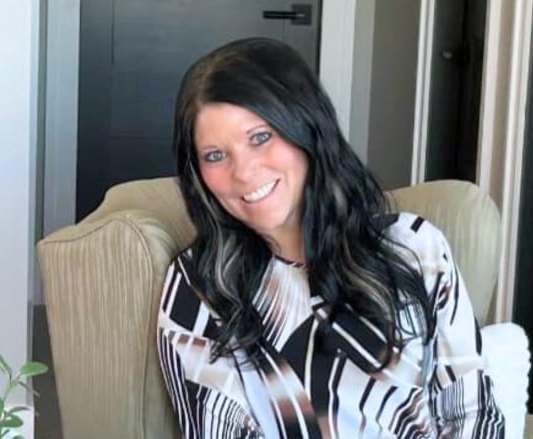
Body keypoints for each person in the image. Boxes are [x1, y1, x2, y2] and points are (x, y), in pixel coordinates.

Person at [157, 37, 505, 439]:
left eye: (260, 137)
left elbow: (471, 410)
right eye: (215, 155)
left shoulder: (415, 247)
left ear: (305, 127)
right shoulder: (198, 287)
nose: (244, 172)